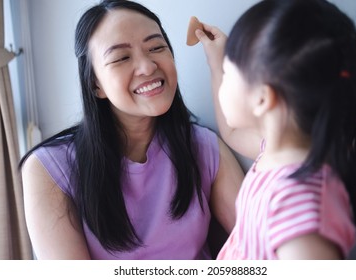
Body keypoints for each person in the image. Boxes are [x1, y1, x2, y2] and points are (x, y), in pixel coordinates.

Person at [19, 0, 244, 260]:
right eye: (122, 57)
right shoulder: (48, 169)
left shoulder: (204, 146)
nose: (148, 67)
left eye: (157, 47)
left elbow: (261, 239)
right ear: (96, 85)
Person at [195, 0, 356, 259]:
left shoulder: (299, 204)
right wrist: (216, 62)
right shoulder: (280, 150)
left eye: (227, 73)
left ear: (263, 99)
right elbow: (231, 133)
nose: (223, 82)